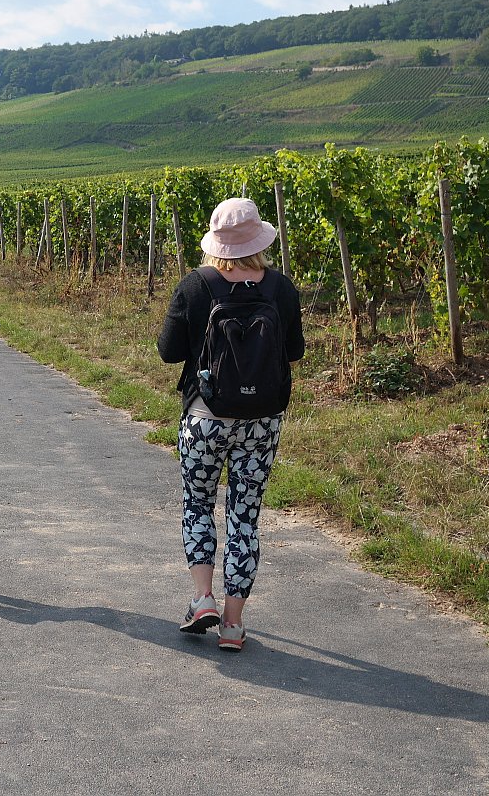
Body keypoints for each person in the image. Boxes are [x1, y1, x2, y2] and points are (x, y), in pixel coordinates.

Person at [156, 198, 305, 651]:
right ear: (259, 239)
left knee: (198, 503)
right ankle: (234, 626)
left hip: (205, 417)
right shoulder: (280, 288)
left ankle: (203, 599)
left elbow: (167, 351)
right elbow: (294, 352)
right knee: (245, 517)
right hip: (261, 423)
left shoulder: (196, 286)